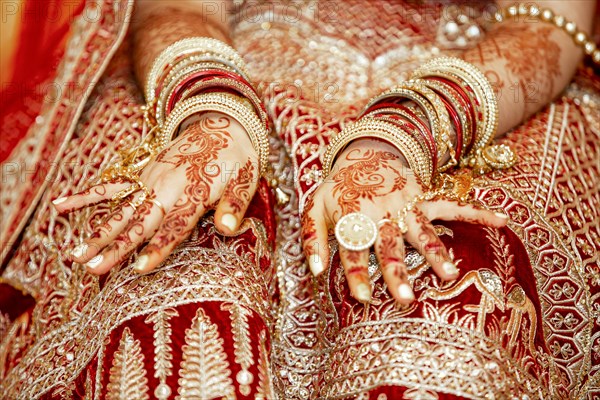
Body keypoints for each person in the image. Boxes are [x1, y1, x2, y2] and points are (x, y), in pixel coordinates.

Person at [1, 0, 598, 398]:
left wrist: (397, 137)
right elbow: (177, 5)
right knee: (184, 230)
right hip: (228, 49)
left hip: (483, 79)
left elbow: (547, 23)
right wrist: (211, 110)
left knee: (450, 270)